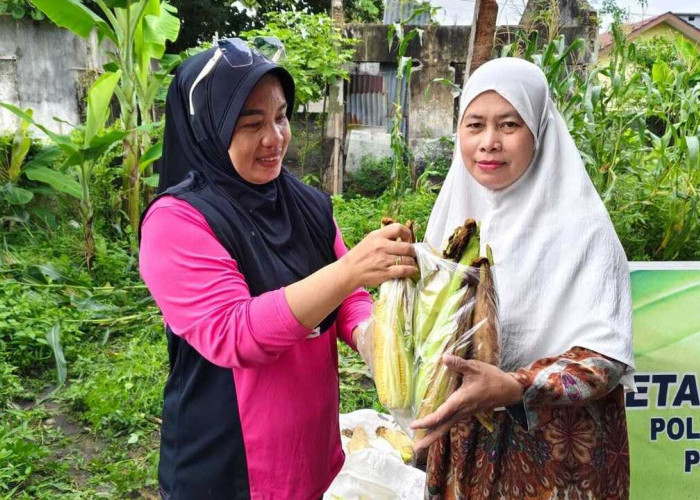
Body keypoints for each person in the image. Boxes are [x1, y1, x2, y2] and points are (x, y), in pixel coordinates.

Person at [138, 38, 417, 499]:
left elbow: (348, 296)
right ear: (210, 129)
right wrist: (350, 271)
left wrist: (370, 336)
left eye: (281, 116)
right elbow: (234, 332)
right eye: (252, 124)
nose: (275, 138)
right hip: (228, 466)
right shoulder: (178, 222)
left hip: (310, 452)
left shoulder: (304, 202)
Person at [412, 57, 635, 499]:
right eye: (474, 125)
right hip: (465, 449)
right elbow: (434, 334)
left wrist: (517, 385)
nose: (489, 143)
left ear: (539, 129)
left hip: (555, 456)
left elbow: (605, 358)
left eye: (509, 125)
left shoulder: (582, 228)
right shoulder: (453, 217)